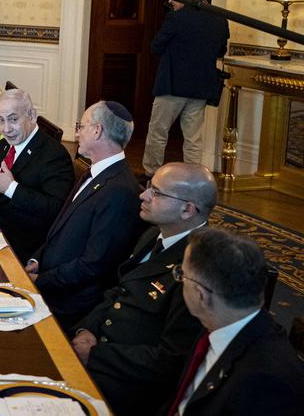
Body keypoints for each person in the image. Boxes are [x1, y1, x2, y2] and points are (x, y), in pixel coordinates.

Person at [71, 162, 216, 416]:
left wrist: (96, 355)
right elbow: (119, 291)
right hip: (98, 353)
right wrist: (87, 329)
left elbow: (170, 359)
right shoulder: (153, 235)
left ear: (187, 210)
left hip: (127, 385)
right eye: (149, 186)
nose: (143, 195)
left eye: (156, 193)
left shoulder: (199, 268)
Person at [25, 101, 144, 326]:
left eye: (81, 126)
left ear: (97, 130)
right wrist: (37, 260)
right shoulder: (96, 171)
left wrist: (41, 280)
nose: (77, 132)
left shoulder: (119, 190)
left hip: (69, 302)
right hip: (51, 280)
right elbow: (62, 228)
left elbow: (94, 264)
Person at [165, 227, 304, 415]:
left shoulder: (264, 385)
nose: (180, 280)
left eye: (182, 275)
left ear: (201, 295)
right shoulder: (218, 321)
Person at [142, 0, 229, 180]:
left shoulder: (177, 18)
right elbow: (220, 51)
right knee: (193, 138)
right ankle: (193, 179)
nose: (171, 3)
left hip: (172, 85)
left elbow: (156, 46)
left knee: (158, 132)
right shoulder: (219, 18)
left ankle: (151, 175)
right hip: (201, 87)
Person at [0, 89, 75, 258]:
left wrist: (11, 188)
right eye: (1, 120)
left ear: (32, 116)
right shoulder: (4, 145)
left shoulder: (54, 155)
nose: (6, 129)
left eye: (13, 119)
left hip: (22, 245)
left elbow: (55, 209)